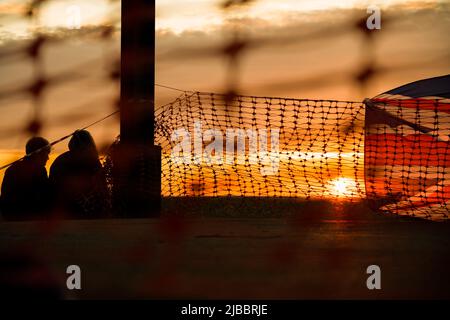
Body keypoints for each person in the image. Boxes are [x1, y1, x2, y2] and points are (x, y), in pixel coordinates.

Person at [49, 130, 110, 219]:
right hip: (71, 210)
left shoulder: (60, 161)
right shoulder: (91, 161)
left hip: (70, 210)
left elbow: (101, 186)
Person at [0, 137, 51, 220]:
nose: (48, 158)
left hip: (10, 216)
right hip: (28, 218)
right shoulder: (39, 170)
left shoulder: (12, 169)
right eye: (46, 154)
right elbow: (45, 196)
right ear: (38, 154)